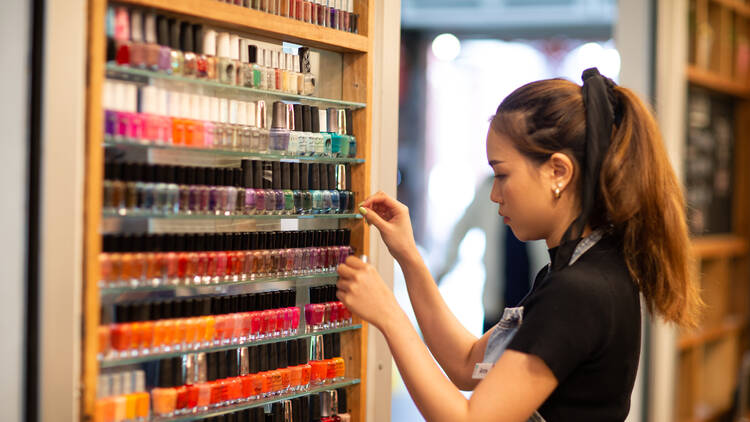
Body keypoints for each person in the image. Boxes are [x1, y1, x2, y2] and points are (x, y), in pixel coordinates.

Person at [335, 68, 703, 422]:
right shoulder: (575, 271)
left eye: (502, 174)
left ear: (558, 172)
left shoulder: (579, 291)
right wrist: (408, 257)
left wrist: (389, 315)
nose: (495, 195)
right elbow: (468, 363)